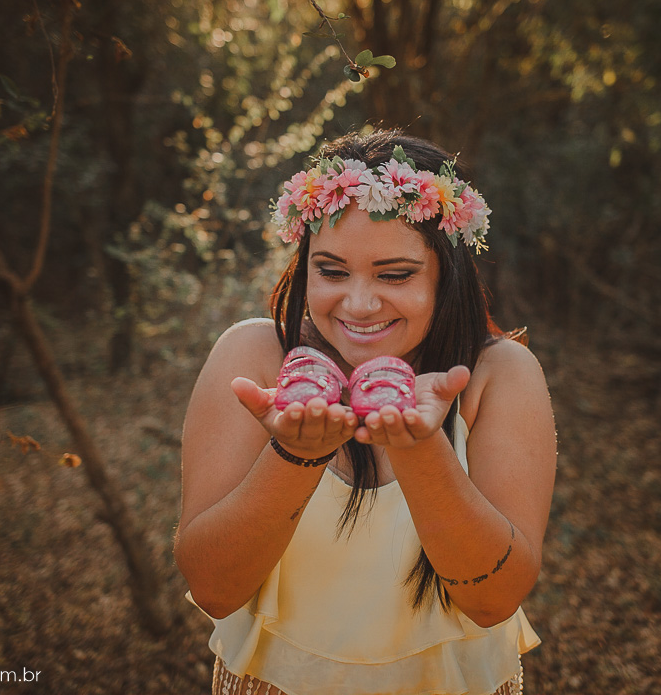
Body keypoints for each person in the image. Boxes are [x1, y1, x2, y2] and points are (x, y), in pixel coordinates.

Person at [172, 129, 556, 695]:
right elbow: (212, 589)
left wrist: (423, 449)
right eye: (331, 271)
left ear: (444, 276)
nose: (358, 304)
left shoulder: (499, 378)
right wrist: (295, 456)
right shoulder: (254, 359)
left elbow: (494, 601)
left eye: (394, 275)